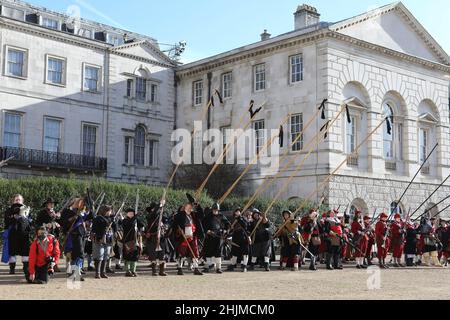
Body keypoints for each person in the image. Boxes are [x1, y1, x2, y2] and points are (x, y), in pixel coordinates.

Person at [60, 197, 93, 281]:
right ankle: (74, 274)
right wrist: (73, 218)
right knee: (75, 255)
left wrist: (91, 206)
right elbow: (64, 223)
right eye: (79, 202)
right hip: (72, 236)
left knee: (79, 255)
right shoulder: (67, 212)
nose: (81, 204)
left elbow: (91, 216)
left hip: (81, 235)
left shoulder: (81, 213)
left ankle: (76, 273)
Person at [173, 199, 204, 276]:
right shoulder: (179, 215)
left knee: (195, 252)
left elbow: (202, 214)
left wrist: (198, 205)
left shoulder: (194, 215)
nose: (191, 207)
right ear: (185, 206)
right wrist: (178, 231)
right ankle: (179, 268)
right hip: (183, 237)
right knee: (181, 253)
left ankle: (196, 268)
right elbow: (174, 226)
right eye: (189, 205)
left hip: (193, 236)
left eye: (192, 206)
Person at [3, 194, 27, 275]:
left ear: (22, 201)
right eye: (16, 200)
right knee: (12, 252)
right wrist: (13, 217)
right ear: (13, 201)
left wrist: (23, 216)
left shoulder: (26, 209)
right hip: (13, 234)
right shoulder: (8, 210)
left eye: (19, 199)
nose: (18, 201)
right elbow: (6, 222)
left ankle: (25, 268)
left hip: (24, 234)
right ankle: (12, 269)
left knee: (25, 252)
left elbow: (30, 222)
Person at [202, 203, 229, 274]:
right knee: (208, 252)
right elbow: (203, 225)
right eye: (214, 209)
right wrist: (207, 231)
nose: (215, 210)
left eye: (216, 209)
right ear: (212, 209)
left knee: (218, 253)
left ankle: (218, 268)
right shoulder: (207, 217)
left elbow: (227, 224)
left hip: (218, 237)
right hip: (210, 237)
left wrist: (225, 231)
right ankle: (207, 267)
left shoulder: (221, 216)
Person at [145, 201, 169, 277]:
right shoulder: (149, 216)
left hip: (161, 238)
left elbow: (167, 222)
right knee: (153, 256)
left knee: (162, 255)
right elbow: (154, 212)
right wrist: (159, 204)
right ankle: (154, 271)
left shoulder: (161, 216)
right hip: (152, 238)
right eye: (155, 209)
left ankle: (161, 271)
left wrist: (165, 226)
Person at [91, 205, 114, 279]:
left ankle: (103, 272)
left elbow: (114, 227)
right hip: (99, 238)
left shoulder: (109, 219)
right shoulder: (98, 218)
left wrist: (112, 220)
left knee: (106, 256)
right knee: (99, 256)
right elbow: (95, 229)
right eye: (109, 211)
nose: (110, 212)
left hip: (107, 239)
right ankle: (97, 273)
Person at [122, 208, 144, 277]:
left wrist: (137, 220)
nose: (131, 214)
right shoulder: (125, 221)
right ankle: (127, 271)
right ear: (127, 214)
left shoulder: (136, 220)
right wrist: (135, 218)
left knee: (135, 257)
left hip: (135, 241)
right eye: (130, 213)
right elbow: (129, 225)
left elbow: (142, 225)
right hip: (127, 241)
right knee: (127, 256)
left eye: (132, 213)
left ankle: (133, 270)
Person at [227, 208, 251, 272]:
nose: (237, 212)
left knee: (245, 252)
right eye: (236, 211)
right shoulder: (233, 219)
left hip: (243, 237)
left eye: (238, 211)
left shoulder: (243, 219)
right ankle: (232, 265)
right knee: (234, 252)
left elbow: (245, 226)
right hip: (235, 237)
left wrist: (239, 219)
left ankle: (244, 266)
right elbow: (230, 227)